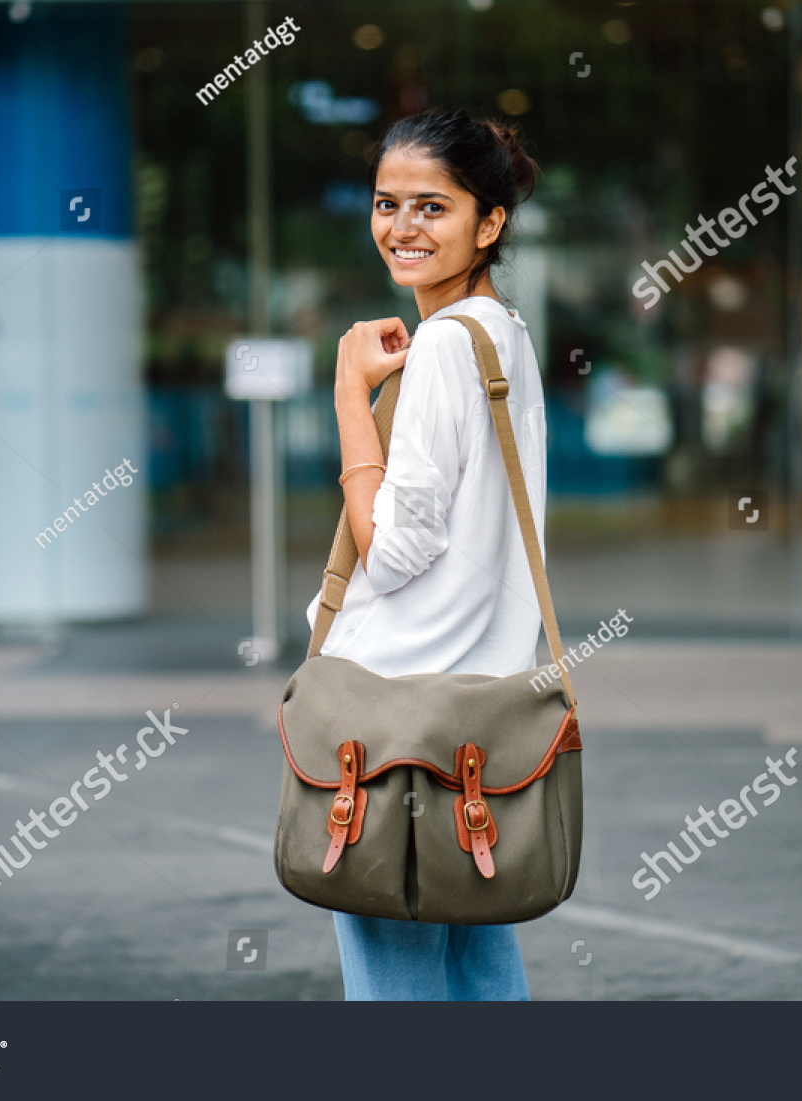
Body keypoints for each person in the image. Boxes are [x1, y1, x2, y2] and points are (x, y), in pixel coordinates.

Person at [304, 108, 545, 1001]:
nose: (402, 228)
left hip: (394, 718)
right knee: (480, 968)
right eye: (385, 203)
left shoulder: (446, 346)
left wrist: (346, 389)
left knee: (396, 986)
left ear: (490, 224)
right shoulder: (503, 333)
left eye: (432, 208)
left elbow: (393, 551)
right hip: (477, 711)